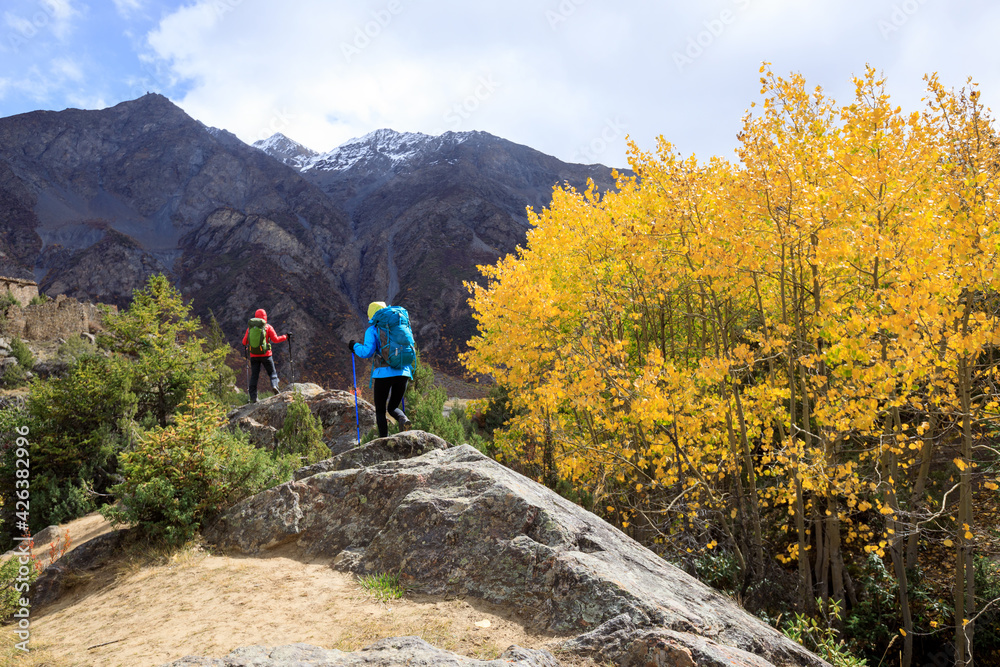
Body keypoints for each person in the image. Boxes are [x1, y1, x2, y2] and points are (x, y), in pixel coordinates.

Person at [349, 301, 412, 438]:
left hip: (383, 374)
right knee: (393, 407)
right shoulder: (400, 325)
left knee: (380, 411)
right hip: (403, 372)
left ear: (372, 314)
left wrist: (354, 346)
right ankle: (404, 419)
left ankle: (384, 440)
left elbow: (366, 352)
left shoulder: (373, 330)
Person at [242, 308, 290, 403]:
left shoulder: (250, 329)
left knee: (254, 376)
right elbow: (275, 339)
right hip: (266, 355)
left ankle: (253, 397)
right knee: (272, 373)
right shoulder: (268, 327)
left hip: (254, 356)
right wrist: (286, 337)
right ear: (265, 317)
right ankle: (274, 386)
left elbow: (244, 342)